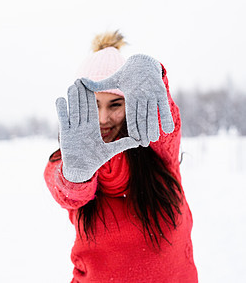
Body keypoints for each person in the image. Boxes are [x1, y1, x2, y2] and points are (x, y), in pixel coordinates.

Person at [44, 31, 198, 282]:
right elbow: (66, 190)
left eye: (115, 104)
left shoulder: (157, 152)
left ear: (133, 103)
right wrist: (76, 175)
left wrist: (155, 79)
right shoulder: (68, 161)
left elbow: (165, 127)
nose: (103, 118)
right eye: (94, 105)